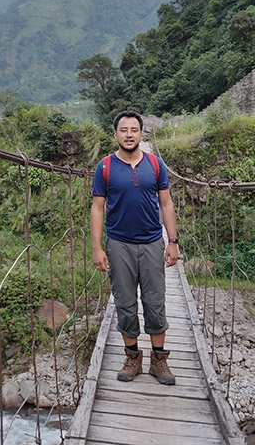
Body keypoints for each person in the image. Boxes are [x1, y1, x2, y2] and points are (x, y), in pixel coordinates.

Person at [91, 110, 178, 385]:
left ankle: (159, 361)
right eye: (124, 130)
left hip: (153, 243)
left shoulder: (155, 164)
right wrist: (97, 248)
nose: (129, 134)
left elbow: (166, 203)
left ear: (141, 134)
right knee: (125, 304)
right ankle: (132, 358)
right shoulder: (104, 167)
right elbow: (97, 207)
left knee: (155, 303)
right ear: (115, 134)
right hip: (119, 245)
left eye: (134, 130)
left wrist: (173, 241)